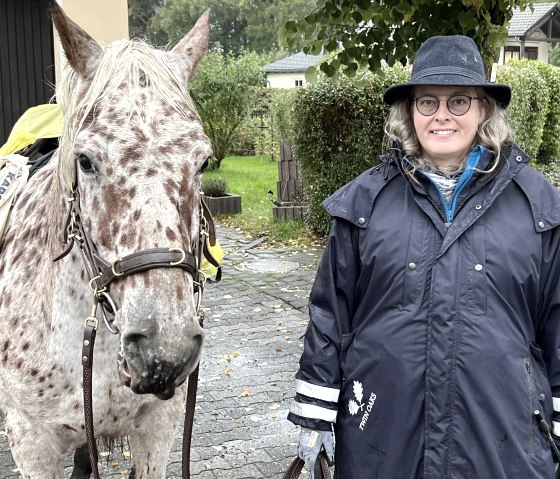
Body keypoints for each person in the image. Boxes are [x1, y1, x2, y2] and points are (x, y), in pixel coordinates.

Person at [287, 35, 560, 478]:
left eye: (459, 102)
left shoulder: (538, 205)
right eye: (428, 102)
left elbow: (557, 320)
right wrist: (316, 409)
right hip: (384, 434)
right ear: (410, 113)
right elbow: (330, 312)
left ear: (484, 110)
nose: (442, 116)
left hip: (503, 441)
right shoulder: (365, 202)